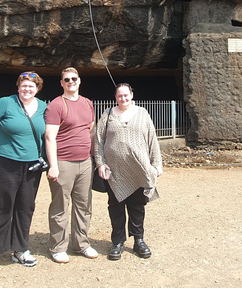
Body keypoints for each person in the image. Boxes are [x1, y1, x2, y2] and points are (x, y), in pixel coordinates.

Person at [0, 72, 48, 277]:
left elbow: (51, 135)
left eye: (31, 86)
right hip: (5, 164)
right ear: (18, 87)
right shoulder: (6, 103)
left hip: (32, 166)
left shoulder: (43, 107)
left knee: (25, 208)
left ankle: (21, 249)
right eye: (24, 86)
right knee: (2, 208)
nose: (27, 89)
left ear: (38, 88)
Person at [95, 83, 162, 261]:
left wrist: (157, 164)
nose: (123, 98)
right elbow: (98, 141)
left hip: (138, 170)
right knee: (115, 207)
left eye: (126, 95)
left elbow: (152, 139)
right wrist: (100, 163)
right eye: (119, 96)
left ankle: (138, 240)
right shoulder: (107, 115)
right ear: (115, 97)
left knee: (137, 207)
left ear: (132, 94)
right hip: (115, 172)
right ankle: (117, 242)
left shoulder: (142, 113)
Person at [43, 67, 98, 263]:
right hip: (64, 162)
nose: (70, 82)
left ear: (79, 80)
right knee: (60, 206)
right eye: (67, 79)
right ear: (61, 83)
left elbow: (90, 130)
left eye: (74, 79)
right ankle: (58, 247)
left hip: (85, 162)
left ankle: (81, 243)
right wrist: (53, 165)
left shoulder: (88, 103)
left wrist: (95, 158)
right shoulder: (56, 105)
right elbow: (50, 136)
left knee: (84, 205)